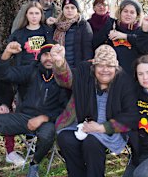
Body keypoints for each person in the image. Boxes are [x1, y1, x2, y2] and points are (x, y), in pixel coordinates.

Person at [0, 41, 71, 177]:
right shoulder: (31, 70)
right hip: (23, 117)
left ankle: (34, 163)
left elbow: (66, 108)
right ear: (39, 56)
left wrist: (44, 118)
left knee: (47, 134)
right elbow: (2, 74)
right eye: (45, 54)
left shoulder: (63, 77)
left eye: (53, 55)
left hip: (47, 121)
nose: (49, 58)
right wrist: (7, 53)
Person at [51, 44, 139, 177]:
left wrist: (102, 127)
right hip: (82, 123)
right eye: (100, 65)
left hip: (110, 129)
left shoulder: (124, 82)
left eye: (109, 66)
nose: (105, 70)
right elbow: (67, 80)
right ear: (94, 66)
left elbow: (131, 116)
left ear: (116, 68)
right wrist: (59, 63)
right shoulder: (85, 74)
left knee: (91, 142)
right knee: (65, 139)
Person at [91, 0, 144, 75]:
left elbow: (144, 45)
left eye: (132, 12)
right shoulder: (112, 26)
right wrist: (107, 27)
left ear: (137, 15)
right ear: (120, 13)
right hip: (114, 77)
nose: (128, 14)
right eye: (125, 11)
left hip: (134, 77)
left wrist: (125, 36)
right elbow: (95, 44)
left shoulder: (141, 31)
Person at [52, 0, 93, 68]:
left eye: (72, 7)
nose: (69, 10)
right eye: (67, 8)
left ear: (77, 10)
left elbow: (87, 49)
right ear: (63, 10)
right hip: (60, 67)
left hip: (77, 68)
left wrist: (86, 68)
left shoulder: (83, 25)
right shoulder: (57, 26)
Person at [8, 1, 53, 66]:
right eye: (31, 13)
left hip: (42, 71)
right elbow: (9, 53)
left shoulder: (48, 31)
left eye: (37, 13)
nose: (34, 16)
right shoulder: (17, 34)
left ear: (41, 15)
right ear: (26, 15)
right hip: (23, 71)